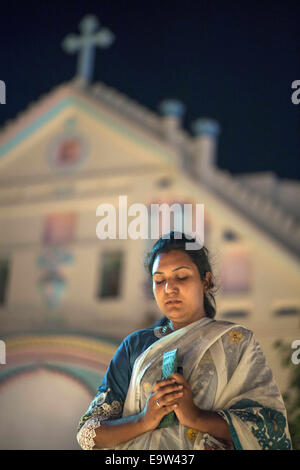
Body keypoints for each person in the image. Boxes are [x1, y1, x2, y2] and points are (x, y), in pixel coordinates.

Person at [76, 231, 292, 450]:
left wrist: (196, 418)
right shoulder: (136, 346)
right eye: (159, 280)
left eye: (181, 277)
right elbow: (88, 433)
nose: (169, 288)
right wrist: (144, 420)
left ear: (206, 281)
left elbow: (271, 429)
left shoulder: (236, 343)